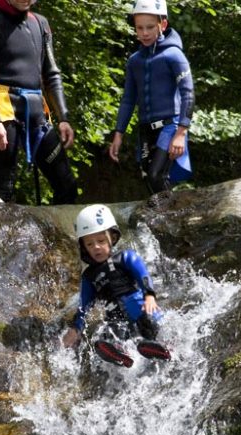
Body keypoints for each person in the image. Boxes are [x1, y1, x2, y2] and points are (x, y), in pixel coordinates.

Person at [0, 0, 77, 204]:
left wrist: (63, 118)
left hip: (36, 107)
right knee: (5, 188)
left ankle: (58, 236)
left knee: (67, 186)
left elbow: (51, 74)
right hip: (2, 107)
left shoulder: (41, 24)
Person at [62, 204, 171, 368]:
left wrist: (149, 295)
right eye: (89, 244)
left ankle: (163, 347)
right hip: (115, 316)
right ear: (84, 247)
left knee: (148, 323)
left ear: (112, 238)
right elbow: (84, 306)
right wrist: (76, 329)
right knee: (109, 333)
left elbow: (143, 275)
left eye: (100, 241)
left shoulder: (125, 257)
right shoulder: (89, 276)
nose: (96, 247)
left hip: (139, 307)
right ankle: (122, 353)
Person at [108, 0, 194, 195]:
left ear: (162, 25)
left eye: (149, 27)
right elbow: (128, 100)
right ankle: (167, 220)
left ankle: (173, 221)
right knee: (149, 180)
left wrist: (181, 132)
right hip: (146, 130)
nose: (144, 33)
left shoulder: (174, 55)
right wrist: (118, 134)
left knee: (157, 175)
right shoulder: (134, 61)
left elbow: (188, 93)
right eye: (140, 28)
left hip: (170, 126)